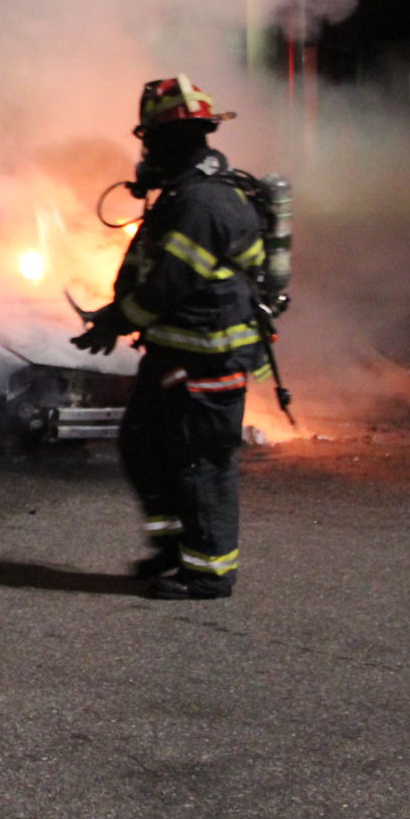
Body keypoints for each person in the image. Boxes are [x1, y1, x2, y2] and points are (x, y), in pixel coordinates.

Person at [71, 75, 267, 601]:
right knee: (142, 444)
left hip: (207, 356)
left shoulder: (202, 205)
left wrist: (115, 321)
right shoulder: (184, 193)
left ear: (176, 140)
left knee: (200, 461)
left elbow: (168, 286)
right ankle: (172, 549)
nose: (145, 150)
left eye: (152, 140)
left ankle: (207, 571)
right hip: (174, 352)